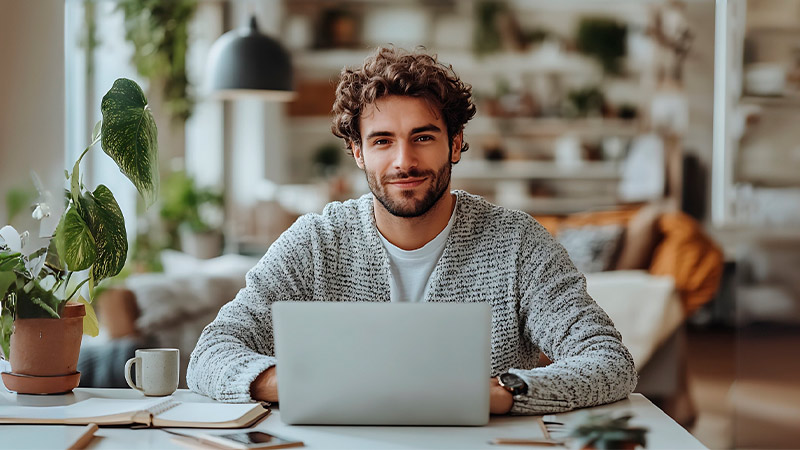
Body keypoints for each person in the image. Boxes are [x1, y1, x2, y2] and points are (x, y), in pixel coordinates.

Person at [187, 46, 637, 415]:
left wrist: (504, 392)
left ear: (455, 143)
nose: (404, 161)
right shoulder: (316, 243)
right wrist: (302, 383)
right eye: (382, 141)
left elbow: (609, 360)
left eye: (422, 137)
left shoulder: (518, 243)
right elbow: (211, 353)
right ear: (358, 152)